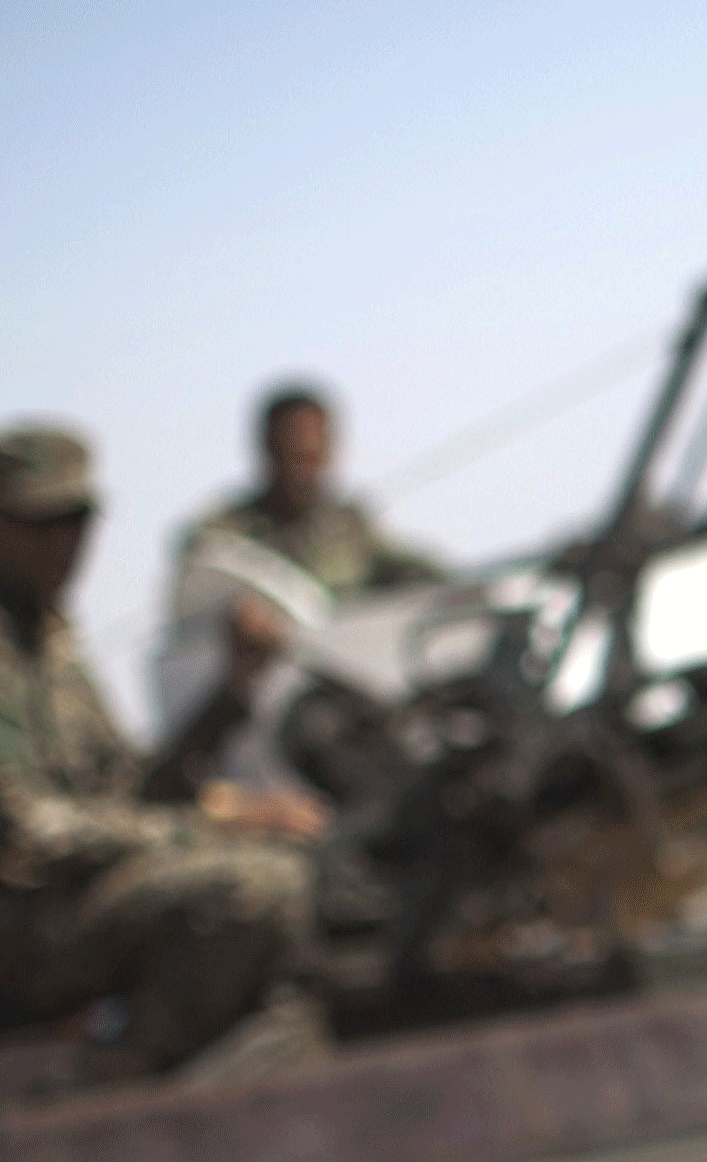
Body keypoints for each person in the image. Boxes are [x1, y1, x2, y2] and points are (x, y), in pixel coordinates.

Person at [0, 422, 326, 1079]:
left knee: (316, 870)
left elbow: (131, 787)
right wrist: (209, 823)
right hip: (27, 922)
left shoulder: (51, 641)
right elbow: (29, 829)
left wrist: (233, 687)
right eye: (42, 523)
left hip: (76, 903)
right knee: (254, 888)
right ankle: (115, 1086)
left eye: (78, 522)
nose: (66, 545)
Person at [183, 382, 447, 604]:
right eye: (293, 455)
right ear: (267, 450)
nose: (303, 471)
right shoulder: (226, 529)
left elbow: (409, 567)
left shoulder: (350, 526)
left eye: (313, 457)